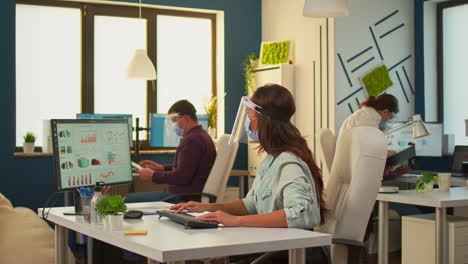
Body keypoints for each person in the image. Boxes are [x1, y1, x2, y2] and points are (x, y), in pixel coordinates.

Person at [172, 84, 325, 232]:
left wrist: (236, 221)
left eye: (249, 117)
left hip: (289, 254)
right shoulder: (271, 160)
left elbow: (301, 214)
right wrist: (208, 208)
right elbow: (251, 205)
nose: (247, 123)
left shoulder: (289, 162)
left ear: (263, 121)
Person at [126, 100, 216, 203]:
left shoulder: (192, 140)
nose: (173, 125)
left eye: (174, 120)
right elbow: (188, 168)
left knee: (125, 200)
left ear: (185, 118)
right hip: (186, 194)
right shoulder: (201, 136)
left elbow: (182, 177)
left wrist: (153, 175)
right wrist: (162, 168)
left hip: (182, 197)